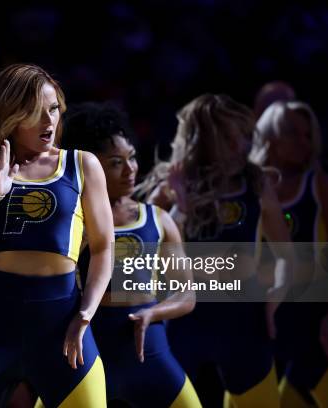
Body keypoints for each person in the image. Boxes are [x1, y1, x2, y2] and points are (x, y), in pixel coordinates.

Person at [0, 64, 112, 407]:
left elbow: (105, 248)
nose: (49, 122)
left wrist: (86, 313)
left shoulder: (82, 164)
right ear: (12, 115)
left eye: (53, 109)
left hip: (64, 327)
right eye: (36, 112)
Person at [138, 94, 292, 407]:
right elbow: (133, 248)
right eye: (230, 139)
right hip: (185, 321)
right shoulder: (173, 183)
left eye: (246, 137)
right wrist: (177, 202)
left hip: (244, 320)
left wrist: (276, 297)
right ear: (203, 140)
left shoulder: (256, 182)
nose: (242, 148)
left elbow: (286, 254)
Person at [61, 102, 201, 407]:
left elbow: (186, 293)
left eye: (132, 158)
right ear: (90, 166)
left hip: (151, 355)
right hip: (85, 358)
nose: (130, 169)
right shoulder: (72, 221)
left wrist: (154, 312)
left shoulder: (157, 219)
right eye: (115, 163)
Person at [253, 100, 328, 407]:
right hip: (268, 324)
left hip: (315, 323)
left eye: (308, 135)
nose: (305, 142)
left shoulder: (322, 186)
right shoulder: (249, 190)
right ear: (270, 139)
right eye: (294, 134)